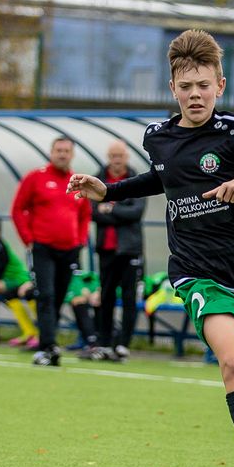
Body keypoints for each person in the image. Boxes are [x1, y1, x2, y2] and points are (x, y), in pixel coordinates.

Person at [68, 29, 234, 467]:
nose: (195, 94)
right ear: (172, 89)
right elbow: (167, 177)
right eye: (186, 86)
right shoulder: (158, 137)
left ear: (220, 85)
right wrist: (110, 190)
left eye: (203, 85)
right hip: (201, 273)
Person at [11, 136, 92, 366]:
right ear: (51, 152)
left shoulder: (77, 182)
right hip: (43, 248)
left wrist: (80, 240)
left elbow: (85, 214)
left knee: (57, 297)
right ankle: (47, 346)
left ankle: (48, 342)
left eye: (66, 151)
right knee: (45, 295)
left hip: (70, 250)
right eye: (58, 150)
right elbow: (18, 209)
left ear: (72, 154)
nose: (62, 154)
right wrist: (28, 239)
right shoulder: (35, 178)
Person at [90, 140, 145, 361]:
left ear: (126, 157)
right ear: (108, 157)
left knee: (129, 297)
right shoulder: (98, 178)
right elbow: (93, 212)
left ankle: (123, 344)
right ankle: (104, 342)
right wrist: (118, 211)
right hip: (106, 249)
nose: (116, 160)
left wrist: (111, 208)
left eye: (120, 156)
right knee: (106, 297)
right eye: (113, 156)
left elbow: (136, 213)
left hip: (129, 249)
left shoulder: (136, 179)